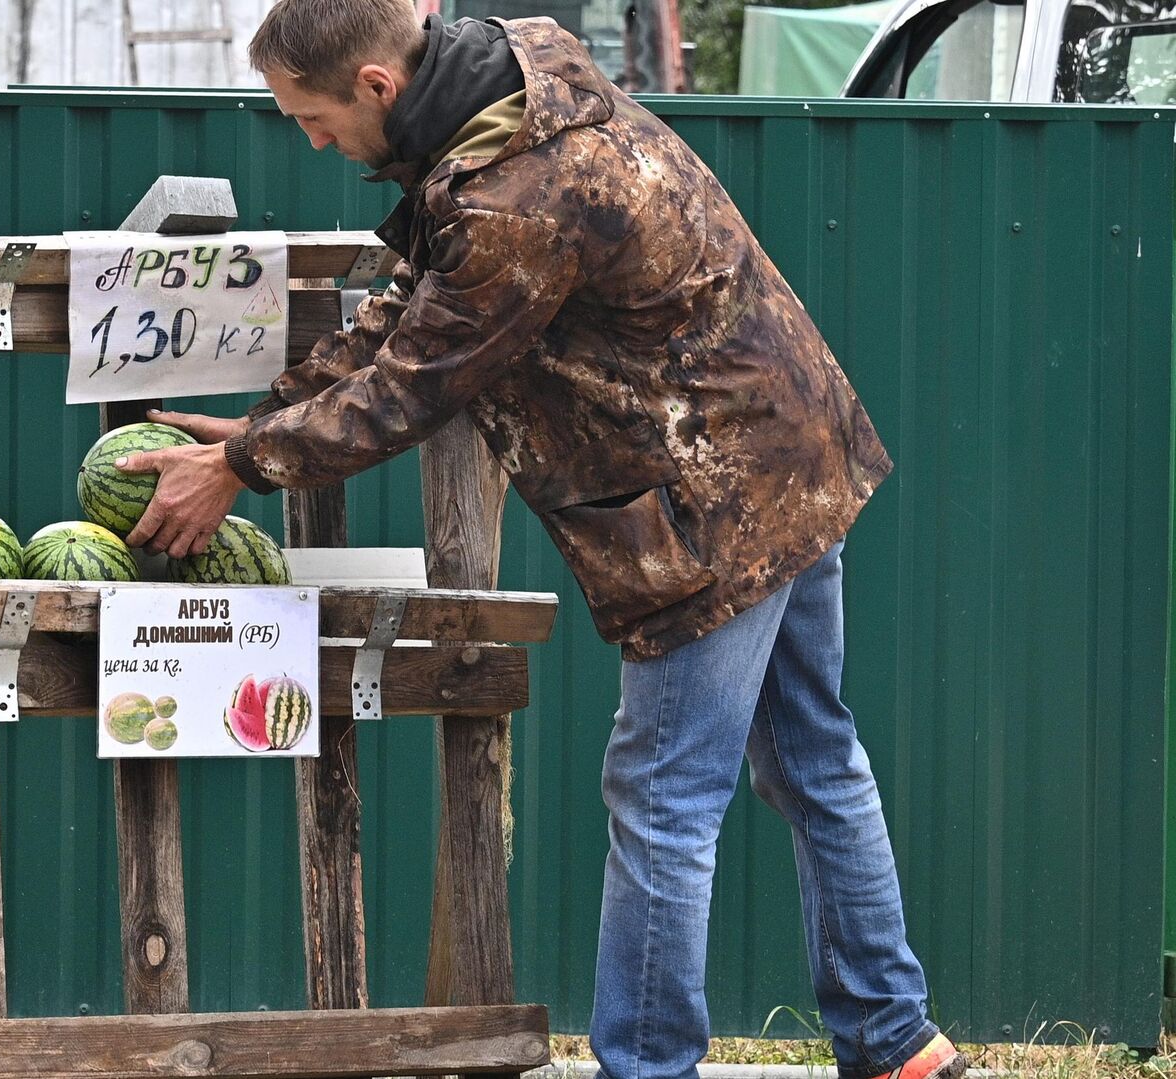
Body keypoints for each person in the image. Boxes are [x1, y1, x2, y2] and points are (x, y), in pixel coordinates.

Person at [113, 4, 963, 1079]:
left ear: (377, 83)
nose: (310, 139)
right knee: (813, 755)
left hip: (714, 487)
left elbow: (414, 384)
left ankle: (647, 1065)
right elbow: (415, 307)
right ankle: (895, 1039)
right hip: (788, 443)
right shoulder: (508, 80)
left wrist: (240, 468)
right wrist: (265, 423)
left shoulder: (516, 189)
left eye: (313, 116)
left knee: (663, 792)